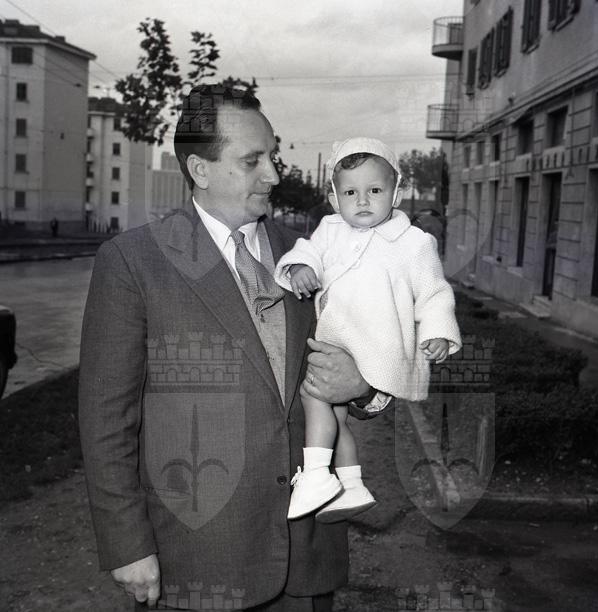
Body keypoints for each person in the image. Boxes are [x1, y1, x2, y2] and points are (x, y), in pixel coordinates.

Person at [78, 86, 386, 612]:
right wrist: (127, 545)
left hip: (306, 558)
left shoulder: (316, 254)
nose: (274, 175)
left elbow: (370, 354)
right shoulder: (134, 262)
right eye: (252, 161)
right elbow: (106, 418)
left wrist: (364, 387)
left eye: (273, 156)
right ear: (200, 169)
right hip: (200, 558)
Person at [274, 137, 462, 523]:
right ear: (334, 198)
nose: (362, 201)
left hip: (378, 344)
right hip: (339, 339)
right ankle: (351, 483)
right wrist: (300, 267)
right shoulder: (330, 229)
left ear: (396, 193)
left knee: (313, 394)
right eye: (350, 192)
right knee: (334, 414)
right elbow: (307, 251)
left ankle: (315, 476)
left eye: (374, 191)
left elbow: (434, 291)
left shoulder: (413, 242)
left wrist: (438, 331)